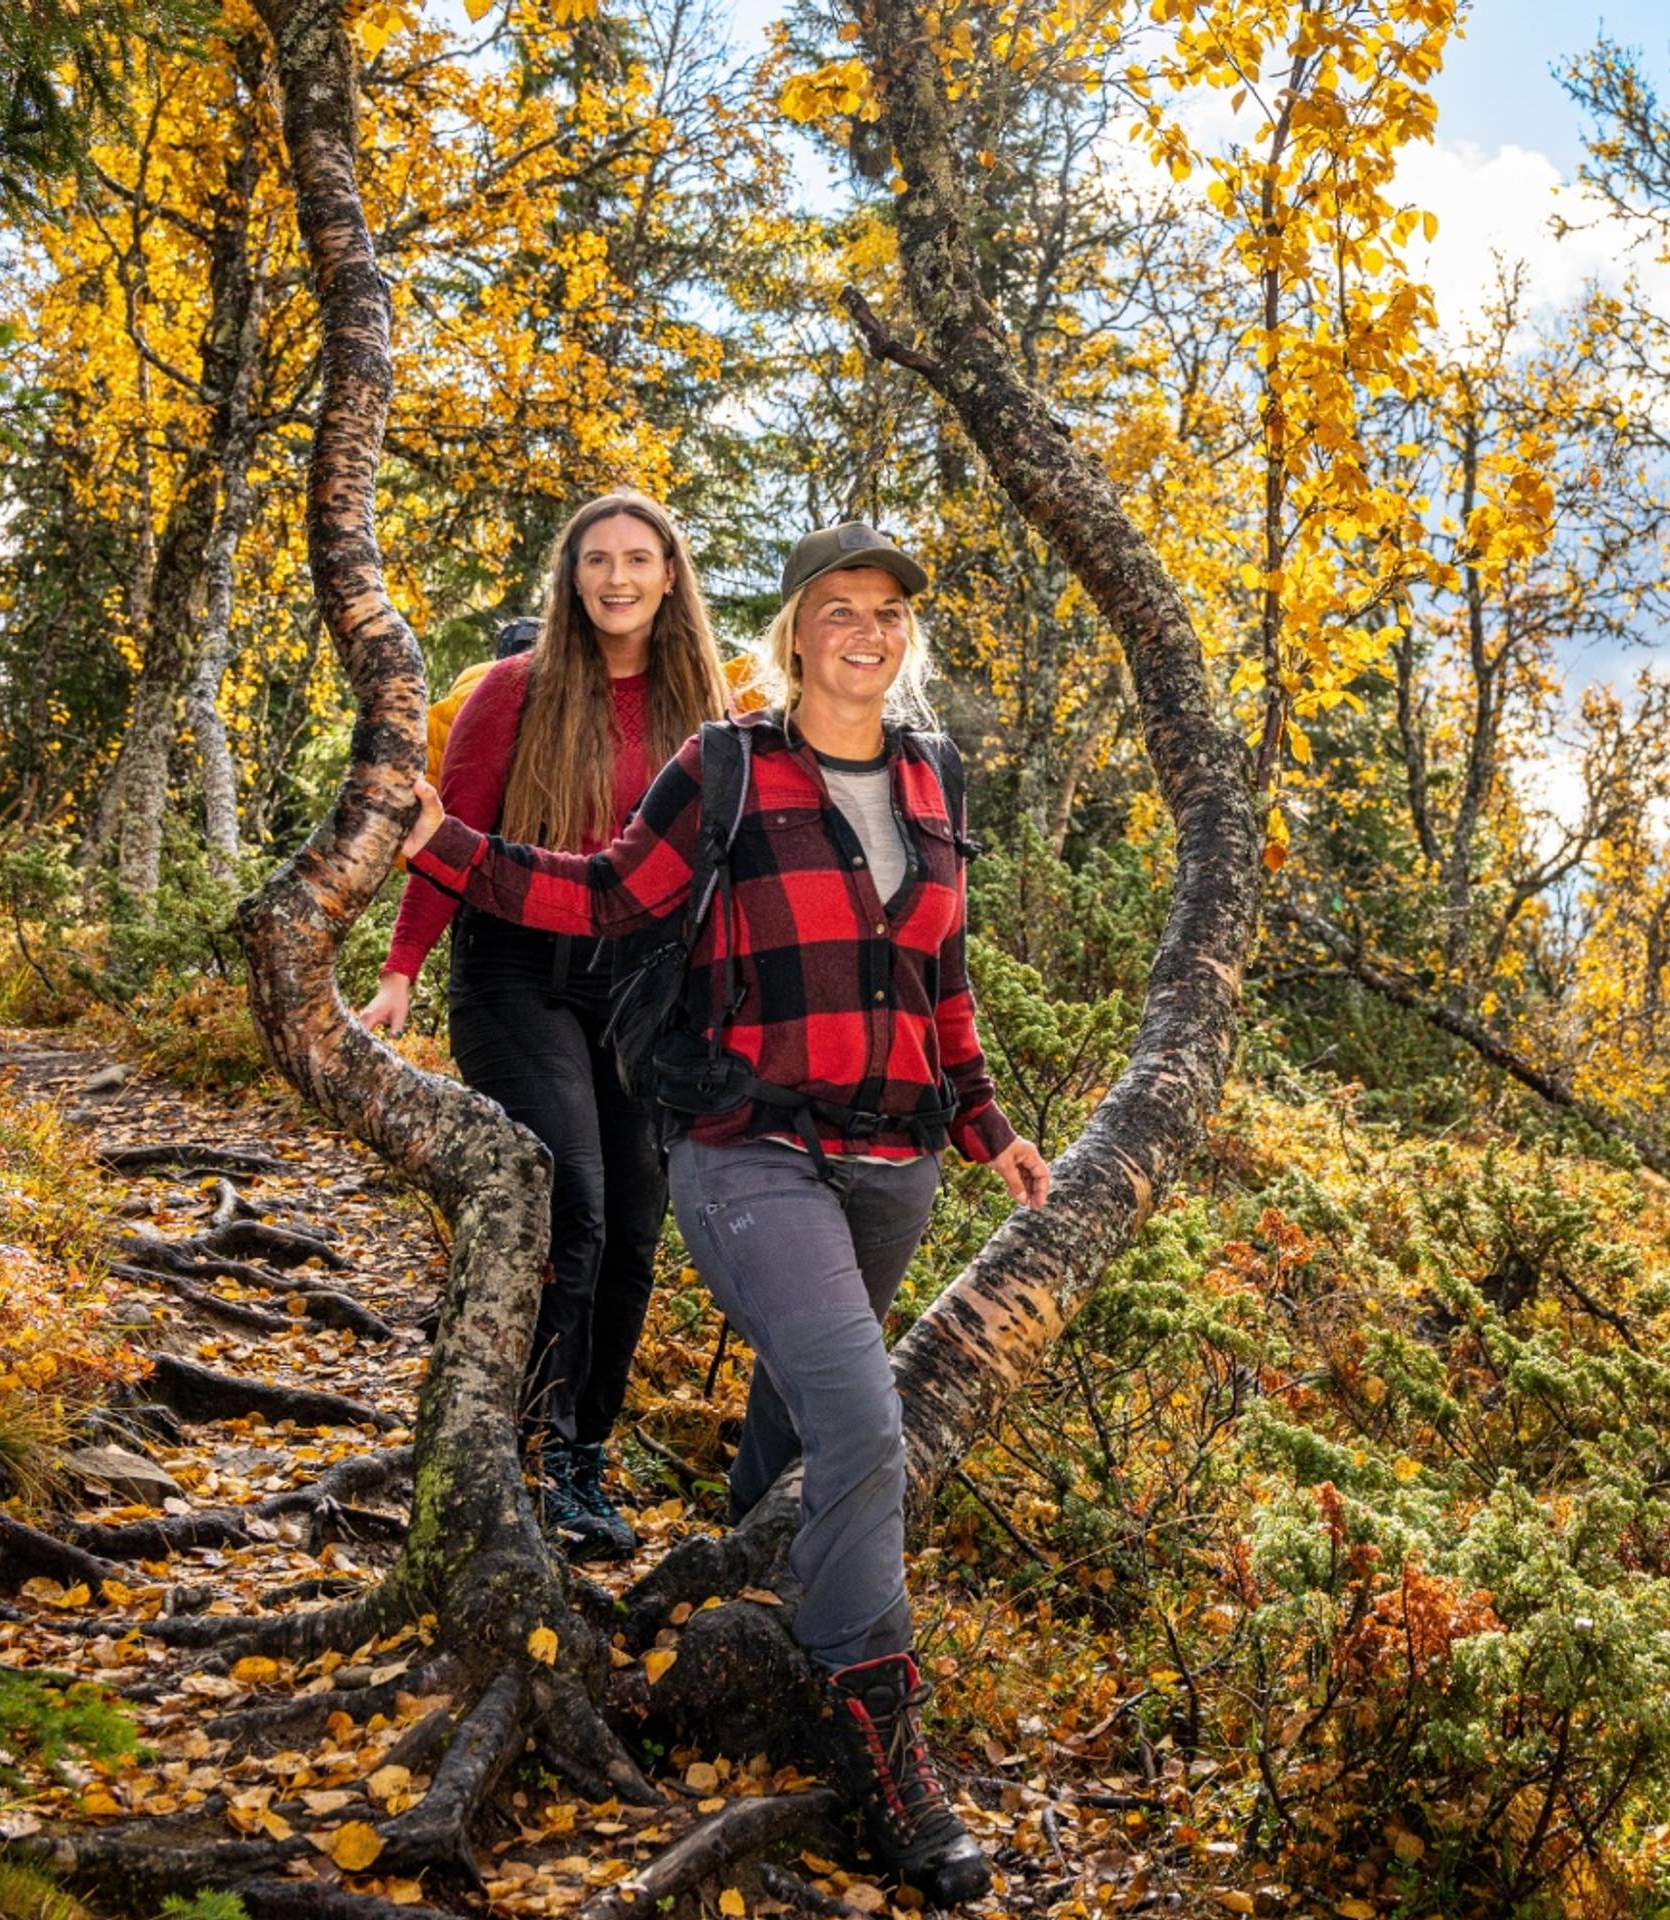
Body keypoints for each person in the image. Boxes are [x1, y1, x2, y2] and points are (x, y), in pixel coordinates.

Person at [398, 521, 1043, 1905]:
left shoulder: (927, 778)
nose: (866, 634)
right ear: (795, 629)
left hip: (897, 1158)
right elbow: (605, 891)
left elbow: (943, 979)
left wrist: (986, 1126)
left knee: (806, 1415)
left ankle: (737, 1599)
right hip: (746, 1147)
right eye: (839, 611)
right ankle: (881, 1739)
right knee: (864, 1415)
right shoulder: (729, 764)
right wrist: (451, 847)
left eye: (888, 615)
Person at [366, 491, 728, 1561]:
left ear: (670, 577)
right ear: (571, 580)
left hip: (637, 988)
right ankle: (511, 1450)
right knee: (571, 1197)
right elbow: (448, 836)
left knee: (630, 1233)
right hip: (515, 968)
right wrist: (399, 970)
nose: (617, 578)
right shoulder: (516, 692)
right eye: (596, 561)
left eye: (639, 559)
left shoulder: (703, 710)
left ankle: (578, 1462)